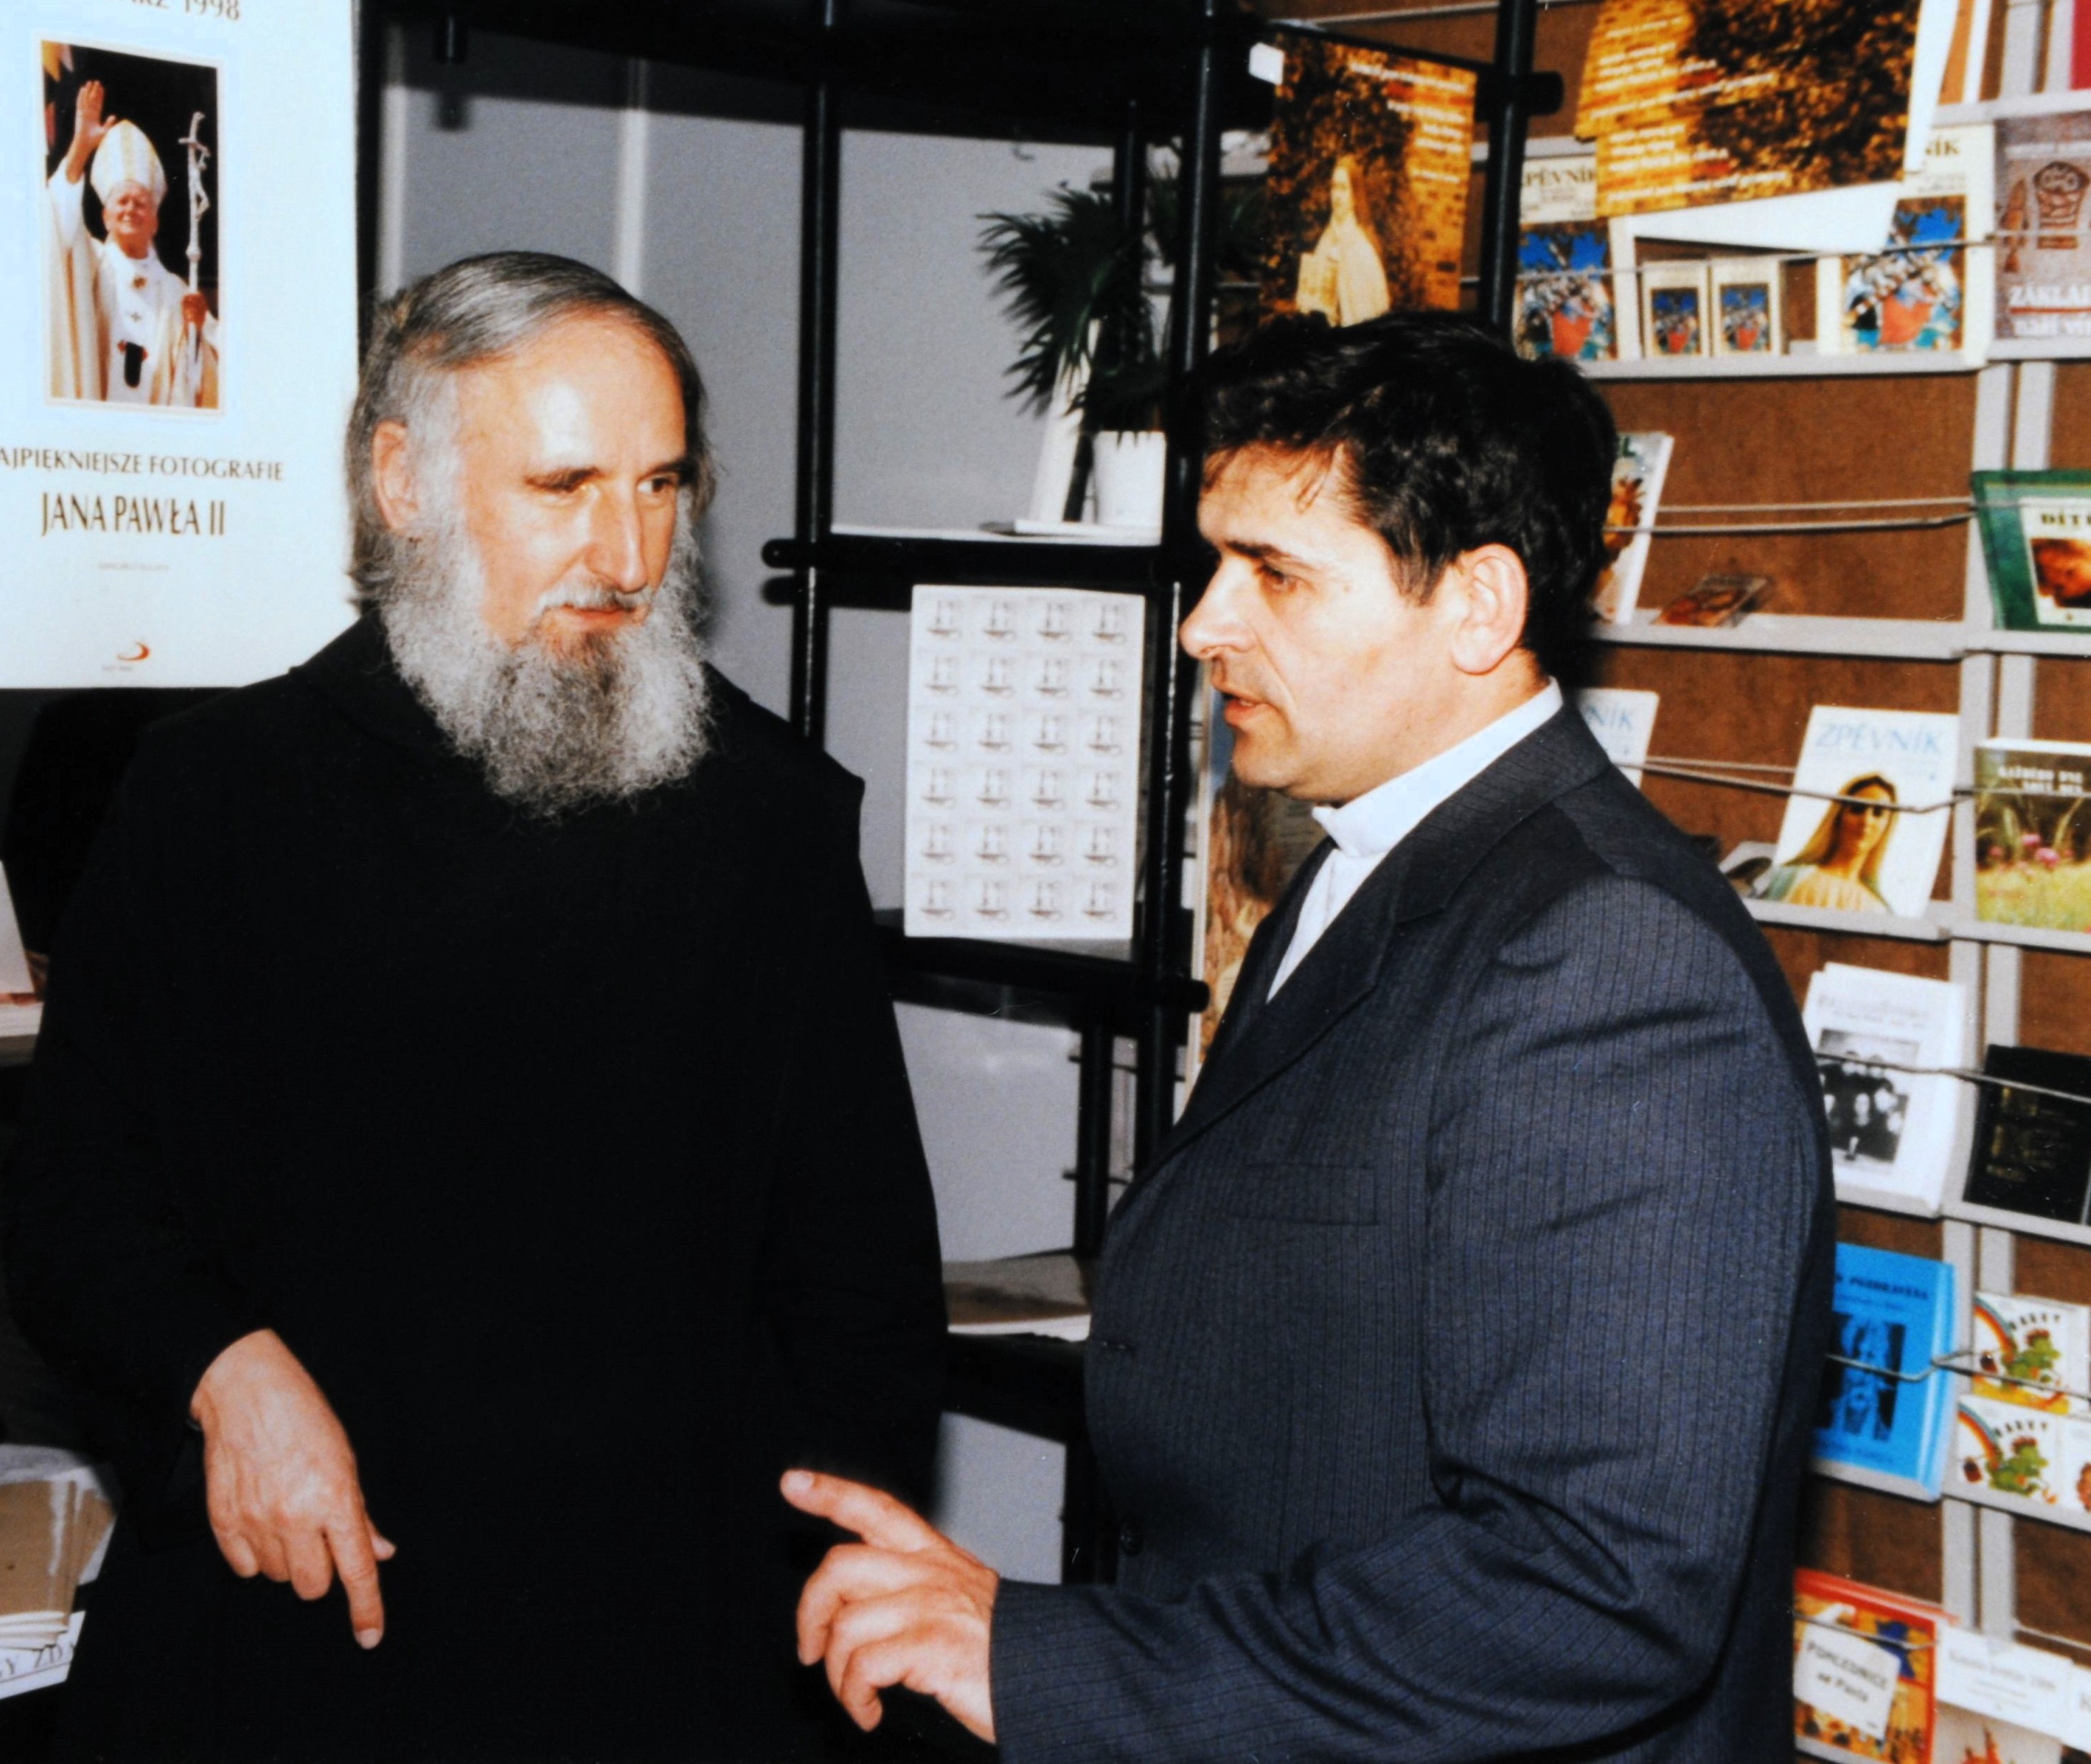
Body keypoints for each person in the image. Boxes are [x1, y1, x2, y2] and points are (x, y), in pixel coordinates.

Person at [782, 312, 1833, 1762]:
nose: (1204, 622)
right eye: (1217, 563)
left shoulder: (1608, 958)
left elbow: (1592, 1588)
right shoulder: (1375, 862)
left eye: (1274, 572)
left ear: (1475, 605)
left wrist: (1041, 1656)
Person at [6, 251, 946, 1762]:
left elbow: (861, 1285)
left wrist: (828, 1589)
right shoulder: (214, 800)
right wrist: (222, 1370)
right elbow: (76, 1199)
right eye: (563, 487)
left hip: (666, 1645)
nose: (626, 553)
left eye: (660, 485)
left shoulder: (771, 822)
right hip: (304, 1614)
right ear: (404, 484)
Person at [47, 77, 220, 408]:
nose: (130, 210)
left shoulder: (176, 292)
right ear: (105, 217)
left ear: (155, 222)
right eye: (122, 201)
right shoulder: (91, 263)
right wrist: (80, 149)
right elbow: (57, 225)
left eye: (141, 203)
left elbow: (218, 370)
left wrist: (196, 332)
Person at [1756, 773, 1899, 912]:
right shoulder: (1783, 878)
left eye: (1878, 813)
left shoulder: (1879, 910)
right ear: (1838, 816)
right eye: (1857, 809)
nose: (1866, 821)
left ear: (1887, 826)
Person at [1295, 157, 1391, 328]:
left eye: (1344, 189)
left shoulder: (1362, 249)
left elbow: (1367, 314)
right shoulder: (1326, 239)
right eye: (1334, 187)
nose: (1337, 196)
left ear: (1355, 196)